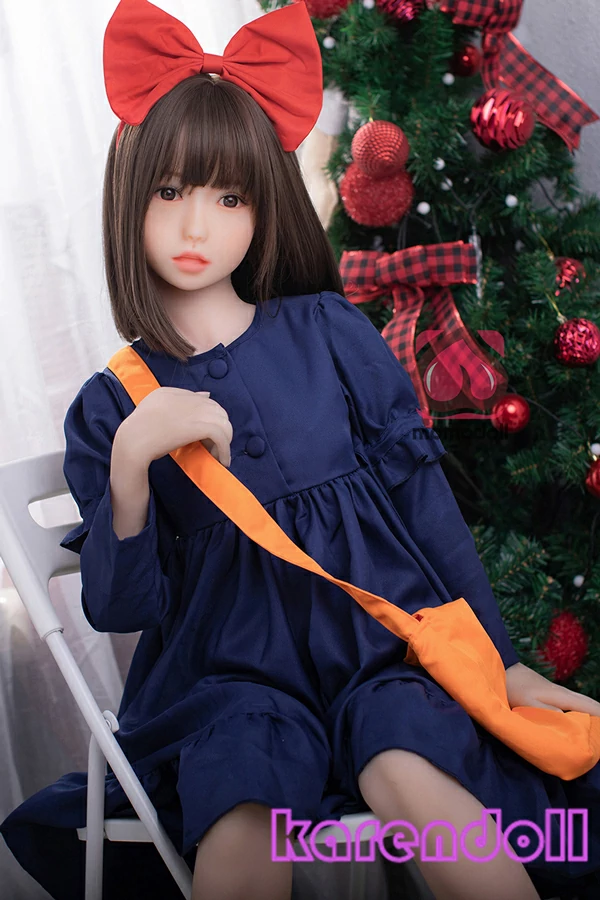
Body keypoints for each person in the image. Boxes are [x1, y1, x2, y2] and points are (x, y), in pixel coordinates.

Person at [2, 2, 600, 899]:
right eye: (169, 192)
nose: (196, 227)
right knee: (242, 796)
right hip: (227, 680)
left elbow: (423, 502)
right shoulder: (110, 406)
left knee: (410, 763)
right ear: (129, 199)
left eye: (228, 197)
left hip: (377, 649)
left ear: (262, 205)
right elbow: (124, 607)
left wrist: (501, 660)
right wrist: (130, 468)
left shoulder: (326, 332)